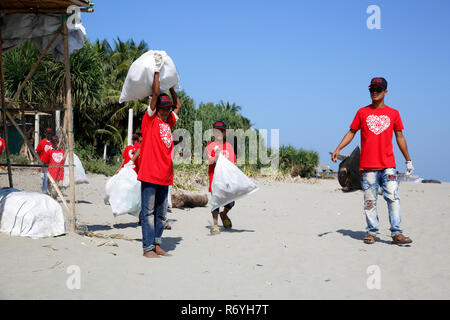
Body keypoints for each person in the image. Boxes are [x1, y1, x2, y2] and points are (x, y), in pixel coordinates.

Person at [331, 77, 414, 245]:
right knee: (370, 200)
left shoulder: (394, 113)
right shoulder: (362, 112)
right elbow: (351, 132)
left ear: (385, 92)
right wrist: (339, 148)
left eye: (378, 89)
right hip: (368, 166)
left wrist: (408, 160)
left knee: (393, 198)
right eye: (371, 89)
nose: (374, 92)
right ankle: (371, 232)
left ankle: (397, 233)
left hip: (388, 166)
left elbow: (400, 137)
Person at [136, 52, 181, 258]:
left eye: (167, 109)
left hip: (165, 175)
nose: (165, 111)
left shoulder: (169, 121)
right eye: (163, 109)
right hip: (149, 173)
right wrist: (156, 71)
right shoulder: (150, 120)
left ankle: (157, 245)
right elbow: (154, 95)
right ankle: (147, 249)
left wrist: (171, 84)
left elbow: (178, 105)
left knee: (162, 214)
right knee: (148, 212)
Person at [206, 121, 237, 234]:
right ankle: (215, 225)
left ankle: (223, 215)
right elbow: (210, 162)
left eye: (221, 131)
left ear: (224, 133)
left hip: (227, 181)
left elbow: (232, 163)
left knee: (231, 203)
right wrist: (216, 157)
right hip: (215, 180)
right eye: (217, 131)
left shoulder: (228, 146)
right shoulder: (210, 146)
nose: (219, 133)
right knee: (215, 203)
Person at [35, 128, 54, 193]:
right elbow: (37, 152)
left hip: (52, 163)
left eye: (50, 133)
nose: (49, 135)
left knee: (50, 177)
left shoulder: (53, 142)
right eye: (48, 133)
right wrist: (37, 161)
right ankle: (44, 191)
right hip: (43, 163)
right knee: (44, 177)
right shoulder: (42, 142)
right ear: (45, 134)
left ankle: (49, 191)